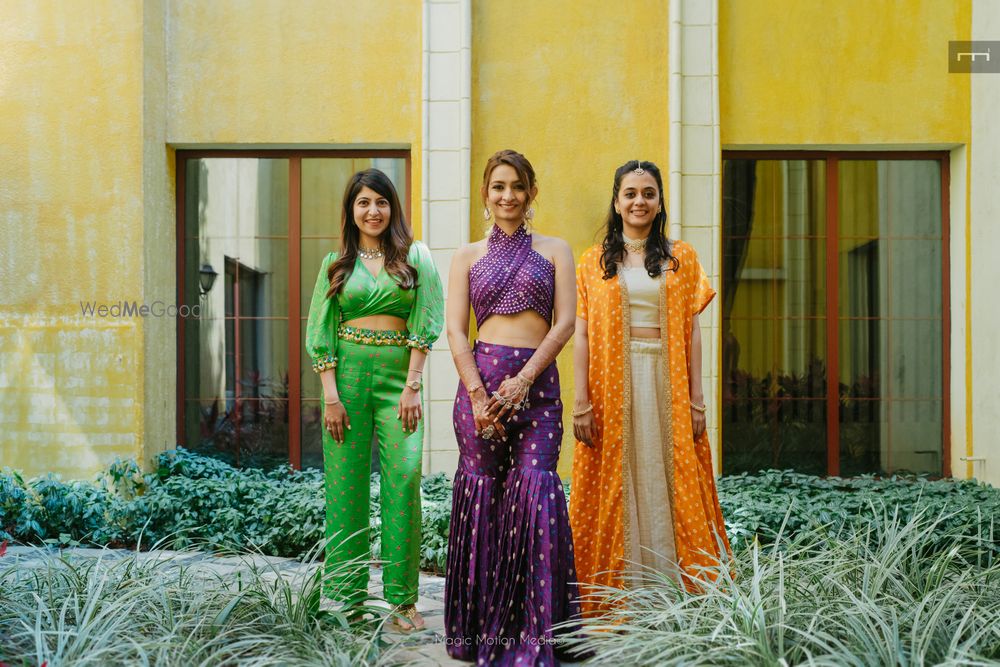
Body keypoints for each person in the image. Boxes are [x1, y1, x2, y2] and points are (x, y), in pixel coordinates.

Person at [569, 159, 730, 615]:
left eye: (648, 193)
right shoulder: (593, 261)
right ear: (617, 202)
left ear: (659, 202)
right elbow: (581, 333)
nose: (639, 201)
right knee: (618, 472)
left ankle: (672, 585)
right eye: (630, 193)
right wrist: (580, 401)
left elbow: (693, 331)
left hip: (667, 380)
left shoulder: (682, 257)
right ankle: (616, 589)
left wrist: (698, 399)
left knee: (666, 471)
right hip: (610, 384)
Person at [444, 150, 580, 665]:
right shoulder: (466, 255)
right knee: (484, 501)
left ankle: (535, 635)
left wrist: (525, 380)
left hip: (537, 391)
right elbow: (457, 329)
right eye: (498, 187)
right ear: (485, 195)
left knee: (536, 495)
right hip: (479, 389)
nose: (508, 196)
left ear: (532, 192)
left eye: (517, 186)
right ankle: (479, 632)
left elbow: (565, 322)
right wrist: (479, 394)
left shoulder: (556, 250)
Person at [305, 168, 444, 631]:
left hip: (397, 386)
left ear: (392, 208)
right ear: (351, 210)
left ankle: (403, 602)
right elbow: (319, 331)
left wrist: (413, 385)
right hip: (344, 386)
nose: (373, 211)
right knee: (345, 491)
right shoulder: (334, 265)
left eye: (381, 202)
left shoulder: (415, 257)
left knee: (403, 486)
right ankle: (346, 599)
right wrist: (330, 396)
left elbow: (428, 317)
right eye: (363, 203)